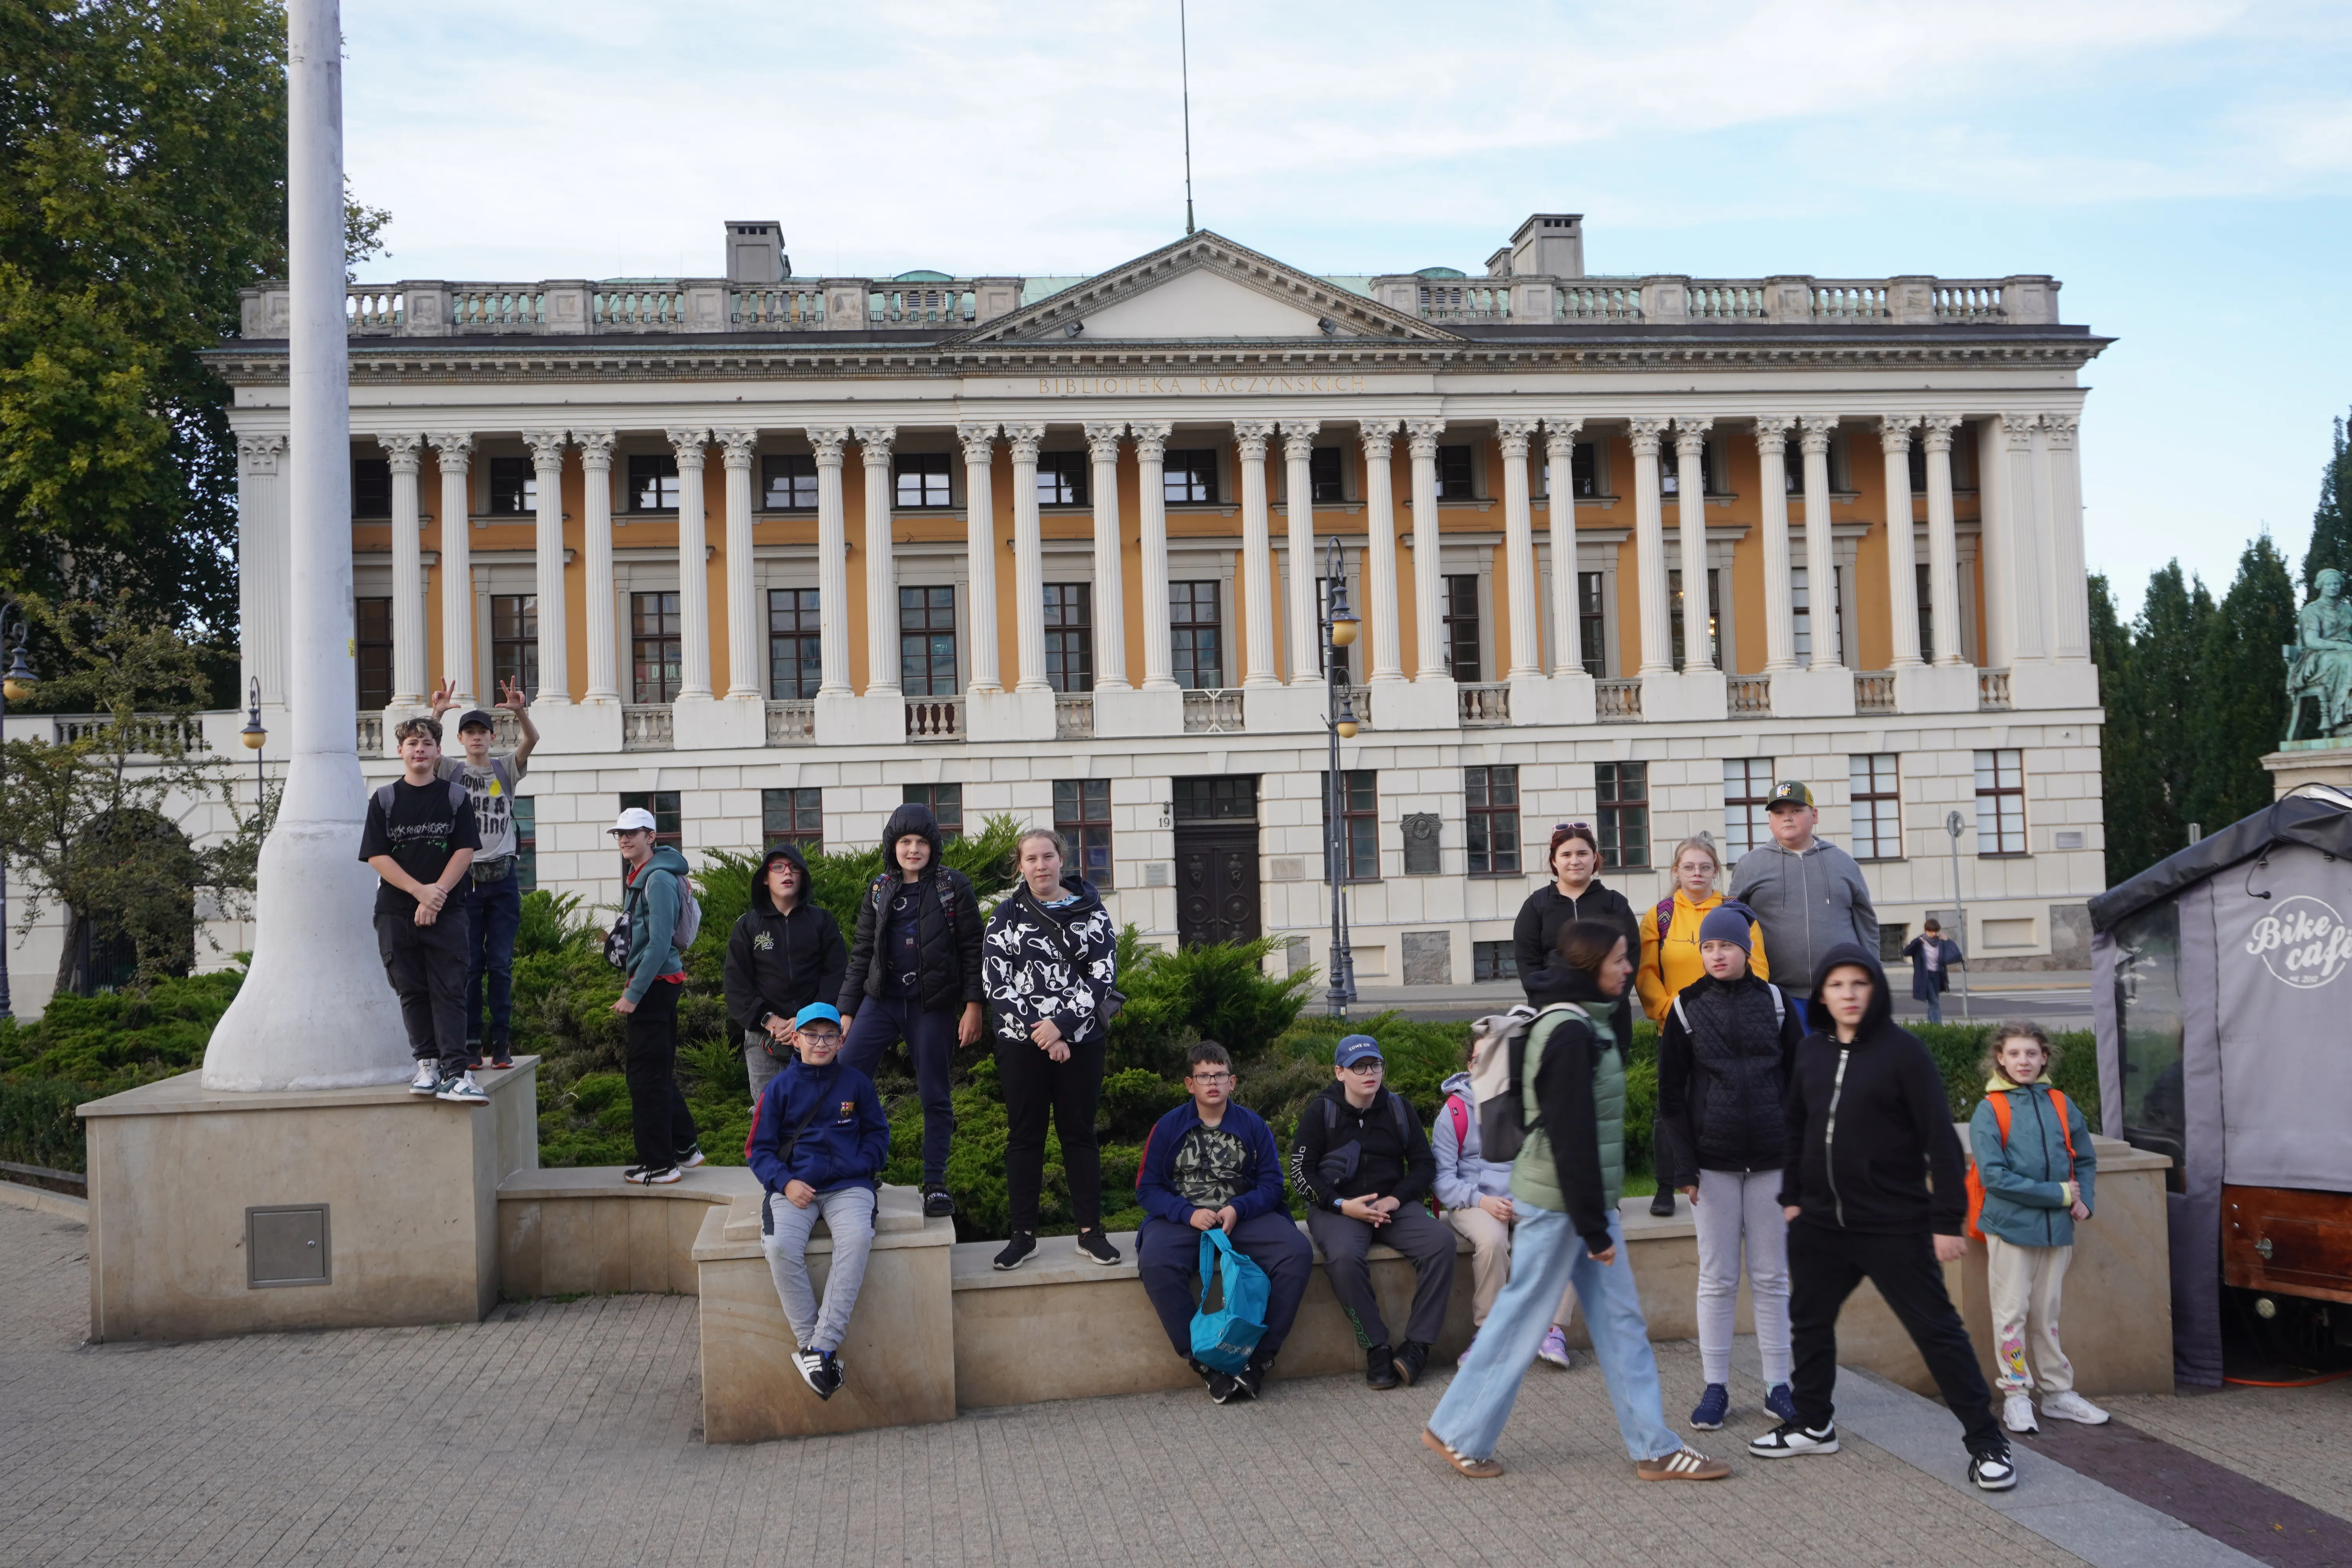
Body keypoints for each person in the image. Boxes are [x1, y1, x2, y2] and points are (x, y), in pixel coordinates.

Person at [1421, 921, 1729, 1484]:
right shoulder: (1569, 1029)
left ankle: (1653, 1446)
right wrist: (1593, 1228)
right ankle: (1457, 1431)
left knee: (1620, 1325)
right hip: (1564, 1206)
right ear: (1590, 964)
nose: (1627, 968)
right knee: (1521, 1320)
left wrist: (1595, 1218)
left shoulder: (1577, 1017)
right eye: (1618, 959)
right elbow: (1570, 1133)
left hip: (1579, 1204)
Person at [1749, 944, 2017, 1493]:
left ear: (1875, 990)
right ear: (1822, 994)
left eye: (1859, 984)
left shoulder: (1904, 1054)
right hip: (1821, 1226)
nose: (1848, 995)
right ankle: (1814, 1422)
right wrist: (1794, 1201)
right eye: (1837, 985)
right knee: (1810, 1326)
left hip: (1894, 1225)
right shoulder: (1810, 1052)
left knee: (1938, 1333)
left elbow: (1940, 1141)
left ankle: (1989, 1444)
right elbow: (1796, 1126)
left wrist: (1948, 1220)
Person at [1657, 904, 1804, 1432]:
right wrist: (1686, 1170)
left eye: (1727, 947)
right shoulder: (1685, 1007)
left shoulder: (1777, 1002)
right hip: (1713, 1167)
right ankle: (1715, 1386)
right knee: (1717, 1278)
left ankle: (1778, 1387)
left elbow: (1800, 1081)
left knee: (1771, 1277)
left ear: (1746, 950)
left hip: (1772, 1162)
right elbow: (1670, 1098)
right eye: (1709, 947)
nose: (1717, 955)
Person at [1134, 1041, 1312, 1403]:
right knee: (1155, 1263)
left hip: (1241, 1218)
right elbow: (1147, 1189)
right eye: (1203, 1076)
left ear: (1232, 1081)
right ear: (1190, 1084)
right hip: (1184, 1220)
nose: (1212, 1082)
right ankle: (1206, 1365)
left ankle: (1257, 1362)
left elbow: (1272, 1185)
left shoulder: (1253, 1125)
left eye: (1219, 1075)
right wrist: (1187, 1213)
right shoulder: (1168, 1127)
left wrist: (1238, 1209)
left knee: (1296, 1252)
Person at [982, 827, 1122, 1270]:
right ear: (1019, 866)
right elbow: (995, 981)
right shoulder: (1005, 916)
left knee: (1079, 1135)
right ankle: (1023, 1235)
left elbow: (1103, 978)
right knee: (1025, 1137)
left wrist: (1060, 1028)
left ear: (1062, 860)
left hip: (1081, 1040)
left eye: (1048, 857)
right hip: (1021, 1043)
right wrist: (1039, 1033)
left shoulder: (1093, 912)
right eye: (1031, 859)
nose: (1041, 866)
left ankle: (1090, 1232)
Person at [838, 802, 985, 1220]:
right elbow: (862, 951)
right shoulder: (879, 888)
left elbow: (973, 948)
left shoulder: (952, 886)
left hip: (932, 1005)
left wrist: (974, 1006)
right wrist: (846, 1011)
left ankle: (935, 1182)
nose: (913, 849)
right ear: (893, 846)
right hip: (880, 1002)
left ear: (933, 846)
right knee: (846, 1079)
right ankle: (860, 1166)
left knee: (935, 1095)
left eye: (921, 842)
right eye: (906, 842)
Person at [1289, 1034, 1455, 1390]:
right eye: (1359, 1066)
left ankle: (1418, 1347)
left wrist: (1396, 1199)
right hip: (1338, 1207)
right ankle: (1376, 1346)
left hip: (1391, 1205)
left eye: (1375, 1064)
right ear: (1340, 1073)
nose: (1370, 1073)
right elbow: (1300, 1174)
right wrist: (1340, 1204)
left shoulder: (1398, 1108)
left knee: (1441, 1242)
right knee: (1345, 1258)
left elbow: (1425, 1166)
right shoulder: (1322, 1111)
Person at [745, 1002, 890, 1402]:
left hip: (849, 1187)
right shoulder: (779, 1089)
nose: (821, 1043)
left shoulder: (857, 1084)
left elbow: (879, 1137)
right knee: (778, 1246)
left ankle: (820, 1348)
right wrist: (786, 1182)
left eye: (829, 1036)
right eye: (812, 1035)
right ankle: (817, 1348)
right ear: (796, 1039)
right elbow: (758, 1150)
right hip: (795, 1188)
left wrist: (856, 1166)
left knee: (858, 1238)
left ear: (841, 1040)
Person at [1972, 1020, 2107, 1434]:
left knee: (2047, 1314)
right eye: (2014, 1054)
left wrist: (2084, 1198)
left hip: (2056, 1230)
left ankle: (2056, 1393)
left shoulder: (2062, 1104)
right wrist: (2061, 1196)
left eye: (2031, 1053)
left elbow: (2083, 1158)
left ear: (2044, 1057)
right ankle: (2016, 1394)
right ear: (2000, 1058)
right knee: (2011, 1315)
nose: (2023, 1061)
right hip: (2011, 1229)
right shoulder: (1989, 1109)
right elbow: (1994, 1176)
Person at [1434, 1027, 1581, 1369]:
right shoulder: (1454, 1112)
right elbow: (1442, 1179)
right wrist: (1481, 1201)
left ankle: (1552, 1329)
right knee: (1492, 1240)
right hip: (1472, 1201)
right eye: (1479, 1059)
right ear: (1469, 1066)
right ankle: (1489, 1334)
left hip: (1521, 1195)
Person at [359, 716, 486, 1106]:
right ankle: (427, 1065)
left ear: (437, 751)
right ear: (400, 751)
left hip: (448, 910)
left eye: (427, 743)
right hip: (397, 912)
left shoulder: (455, 797)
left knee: (450, 989)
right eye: (413, 743)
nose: (419, 749)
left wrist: (438, 895)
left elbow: (464, 850)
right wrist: (420, 893)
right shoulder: (383, 800)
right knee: (411, 990)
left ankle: (457, 1072)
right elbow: (376, 856)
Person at [427, 678, 538, 1069]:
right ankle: (473, 1044)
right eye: (470, 733)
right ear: (460, 740)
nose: (477, 738)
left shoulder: (505, 768)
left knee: (501, 964)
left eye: (482, 732)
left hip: (504, 880)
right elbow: (425, 748)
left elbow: (532, 741)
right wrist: (438, 712)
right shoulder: (451, 773)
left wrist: (520, 711)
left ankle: (502, 1044)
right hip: (467, 882)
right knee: (472, 966)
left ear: (492, 737)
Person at [1728, 782, 1877, 1031]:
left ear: (1814, 815)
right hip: (1776, 996)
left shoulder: (1844, 863)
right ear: (1770, 821)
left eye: (1797, 810)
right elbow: (1733, 926)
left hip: (1837, 997)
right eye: (1779, 813)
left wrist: (1873, 975)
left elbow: (1866, 923)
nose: (1787, 818)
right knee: (1794, 1067)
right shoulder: (1750, 866)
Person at [610, 807, 700, 1185]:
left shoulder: (658, 878)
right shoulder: (646, 875)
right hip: (659, 984)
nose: (625, 840)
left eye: (633, 833)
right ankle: (685, 1148)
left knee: (644, 1078)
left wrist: (634, 992)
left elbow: (661, 942)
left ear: (651, 836)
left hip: (656, 986)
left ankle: (660, 1164)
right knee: (656, 1071)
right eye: (620, 834)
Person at [723, 842, 848, 1104]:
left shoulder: (822, 921)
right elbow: (736, 984)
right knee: (768, 1113)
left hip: (816, 1035)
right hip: (764, 1038)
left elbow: (837, 974)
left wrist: (806, 1018)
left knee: (819, 1109)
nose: (787, 873)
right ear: (766, 879)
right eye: (778, 868)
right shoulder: (748, 925)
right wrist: (769, 1020)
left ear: (803, 878)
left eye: (794, 868)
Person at [1513, 824, 1639, 1057]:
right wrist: (1552, 1005)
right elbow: (1527, 963)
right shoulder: (1536, 906)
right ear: (1554, 861)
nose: (1575, 861)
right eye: (1566, 854)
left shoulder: (1615, 904)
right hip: (1553, 1020)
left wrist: (1609, 1003)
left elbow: (1630, 957)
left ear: (1594, 858)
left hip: (1610, 1019)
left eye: (1582, 853)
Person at [1636, 833, 1769, 1024]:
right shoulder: (1659, 916)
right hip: (1677, 1024)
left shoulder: (1737, 913)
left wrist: (1740, 1007)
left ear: (1715, 871)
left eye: (1705, 867)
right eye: (1689, 867)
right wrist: (1669, 1010)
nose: (1697, 873)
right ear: (1676, 871)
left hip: (1732, 1021)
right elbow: (1645, 975)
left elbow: (1757, 967)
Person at [2290, 566, 2352, 733]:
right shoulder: (2313, 610)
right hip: (2319, 656)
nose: (2334, 587)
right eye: (2330, 584)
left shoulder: (2347, 609)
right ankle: (2344, 718)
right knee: (2347, 661)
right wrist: (2340, 645)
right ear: (2321, 586)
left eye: (2337, 584)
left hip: (2347, 650)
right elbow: (2312, 641)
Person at [1901, 918, 1963, 1027]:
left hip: (1938, 976)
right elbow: (1906, 952)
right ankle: (1938, 1028)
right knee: (1934, 1002)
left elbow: (1957, 955)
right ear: (1925, 930)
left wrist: (1948, 941)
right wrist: (1918, 941)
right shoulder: (1920, 942)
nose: (1933, 934)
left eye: (1935, 931)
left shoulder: (1940, 942)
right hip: (1925, 977)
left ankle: (1931, 1027)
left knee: (1933, 1004)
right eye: (1931, 931)